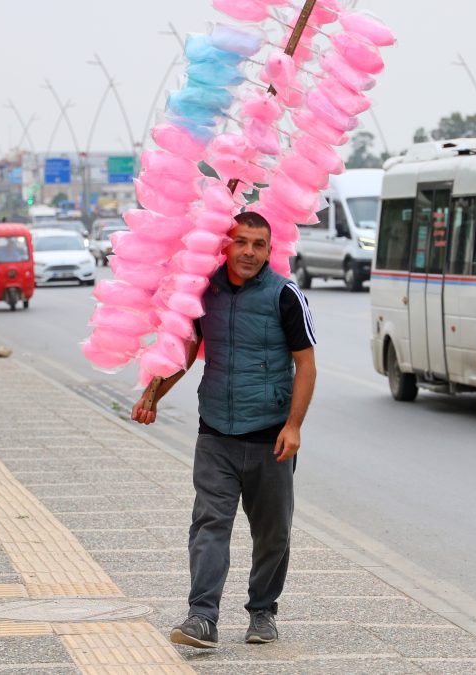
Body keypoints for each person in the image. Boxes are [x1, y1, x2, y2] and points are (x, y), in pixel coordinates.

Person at [132, 211, 317, 648]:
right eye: (241, 242)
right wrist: (152, 393)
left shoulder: (285, 295)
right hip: (215, 430)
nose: (249, 252)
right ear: (225, 245)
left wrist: (293, 426)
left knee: (273, 531)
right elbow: (187, 348)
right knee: (210, 523)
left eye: (258, 244)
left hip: (270, 434)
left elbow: (306, 365)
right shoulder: (204, 292)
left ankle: (263, 611)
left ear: (270, 251)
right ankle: (202, 616)